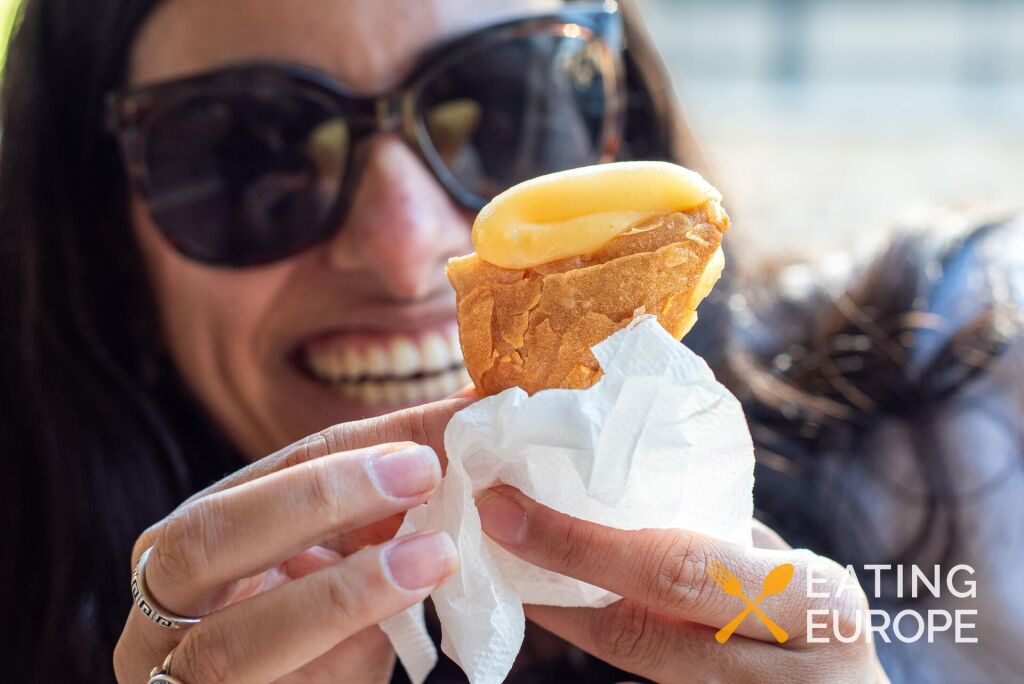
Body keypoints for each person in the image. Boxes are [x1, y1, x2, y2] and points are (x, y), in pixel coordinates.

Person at [0, 0, 1019, 682]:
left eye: (499, 110)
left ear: (618, 126)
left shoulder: (966, 409)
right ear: (97, 232)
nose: (407, 258)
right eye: (248, 151)